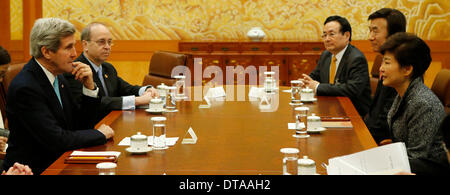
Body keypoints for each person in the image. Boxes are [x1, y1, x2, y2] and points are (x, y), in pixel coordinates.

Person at [2, 18, 114, 175]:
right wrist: (100, 134)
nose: (75, 54)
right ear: (46, 52)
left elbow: (79, 125)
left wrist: (89, 88)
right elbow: (56, 140)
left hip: (61, 160)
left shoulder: (58, 77)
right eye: (68, 48)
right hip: (33, 169)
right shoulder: (26, 87)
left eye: (74, 46)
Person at [379, 32, 448, 175]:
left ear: (407, 69)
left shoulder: (423, 103)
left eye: (387, 62)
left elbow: (418, 157)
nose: (381, 68)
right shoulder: (403, 93)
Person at [64, 22, 158, 123]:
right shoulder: (76, 70)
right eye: (101, 42)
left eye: (109, 42)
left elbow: (126, 88)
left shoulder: (107, 68)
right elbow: (99, 102)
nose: (107, 47)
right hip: (92, 128)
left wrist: (147, 90)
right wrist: (138, 100)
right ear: (85, 45)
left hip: (113, 122)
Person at [301, 15, 371, 117]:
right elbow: (315, 76)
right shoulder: (326, 55)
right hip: (329, 109)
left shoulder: (356, 58)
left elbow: (352, 89)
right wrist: (305, 82)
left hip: (352, 114)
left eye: (331, 34)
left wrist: (318, 87)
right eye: (324, 35)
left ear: (347, 35)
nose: (327, 39)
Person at [364, 8, 406, 144]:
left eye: (375, 31)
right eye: (370, 30)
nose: (370, 37)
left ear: (394, 34)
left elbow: (386, 120)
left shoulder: (401, 67)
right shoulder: (386, 60)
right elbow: (376, 112)